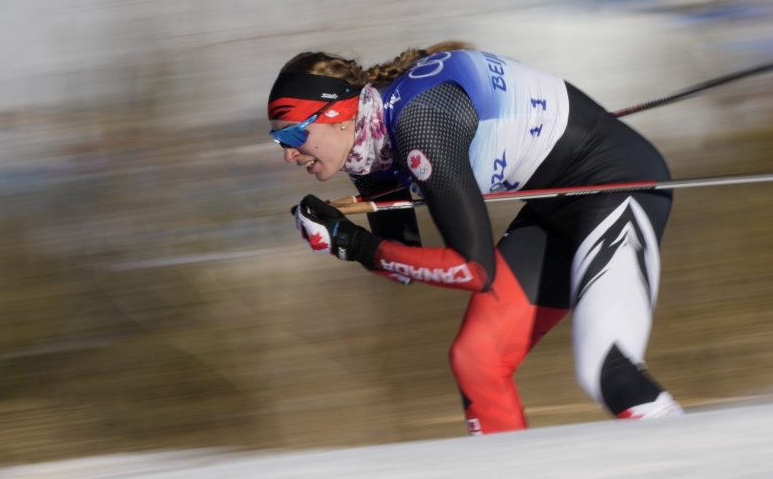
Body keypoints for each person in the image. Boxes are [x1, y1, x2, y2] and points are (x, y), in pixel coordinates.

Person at [268, 42, 684, 435]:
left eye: (292, 134)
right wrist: (347, 242)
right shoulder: (369, 148)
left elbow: (472, 270)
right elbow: (404, 265)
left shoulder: (418, 123)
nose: (287, 153)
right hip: (554, 210)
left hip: (615, 184)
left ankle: (694, 463)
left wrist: (353, 243)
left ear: (336, 114)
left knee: (603, 367)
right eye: (278, 139)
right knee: (477, 359)